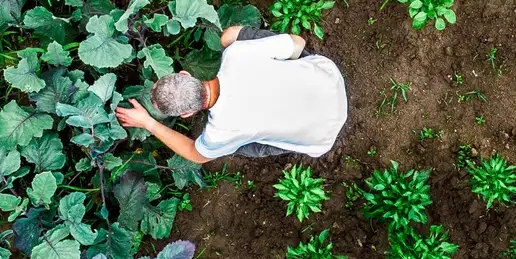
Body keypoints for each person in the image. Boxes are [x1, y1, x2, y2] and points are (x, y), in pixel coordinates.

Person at [114, 26, 348, 163]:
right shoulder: (237, 55)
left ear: (187, 113)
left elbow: (196, 155)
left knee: (238, 146)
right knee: (229, 36)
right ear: (185, 75)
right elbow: (298, 43)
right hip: (329, 80)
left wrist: (147, 123)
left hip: (321, 137)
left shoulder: (220, 133)